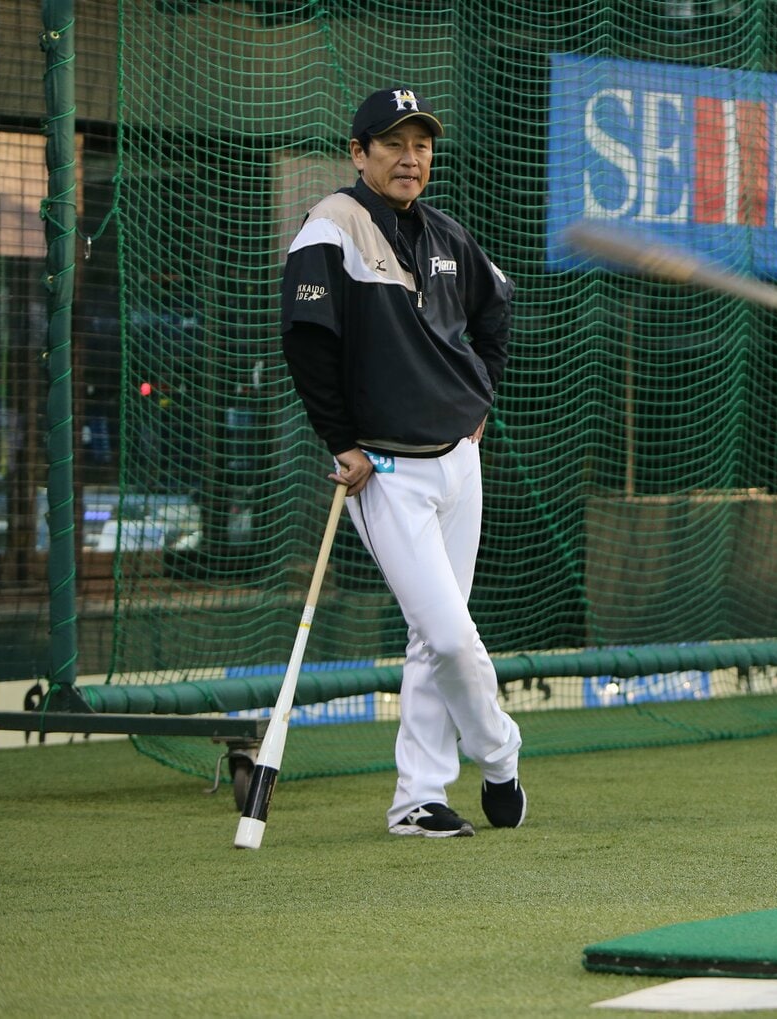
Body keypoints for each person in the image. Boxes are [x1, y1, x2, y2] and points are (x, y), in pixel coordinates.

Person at [280, 87, 525, 837]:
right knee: (449, 634)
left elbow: (495, 309)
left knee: (432, 635)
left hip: (459, 458)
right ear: (359, 153)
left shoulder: (448, 235)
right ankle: (501, 750)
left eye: (420, 144)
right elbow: (307, 340)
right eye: (392, 143)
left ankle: (418, 797)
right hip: (383, 469)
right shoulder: (332, 225)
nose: (409, 157)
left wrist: (478, 397)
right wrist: (340, 441)